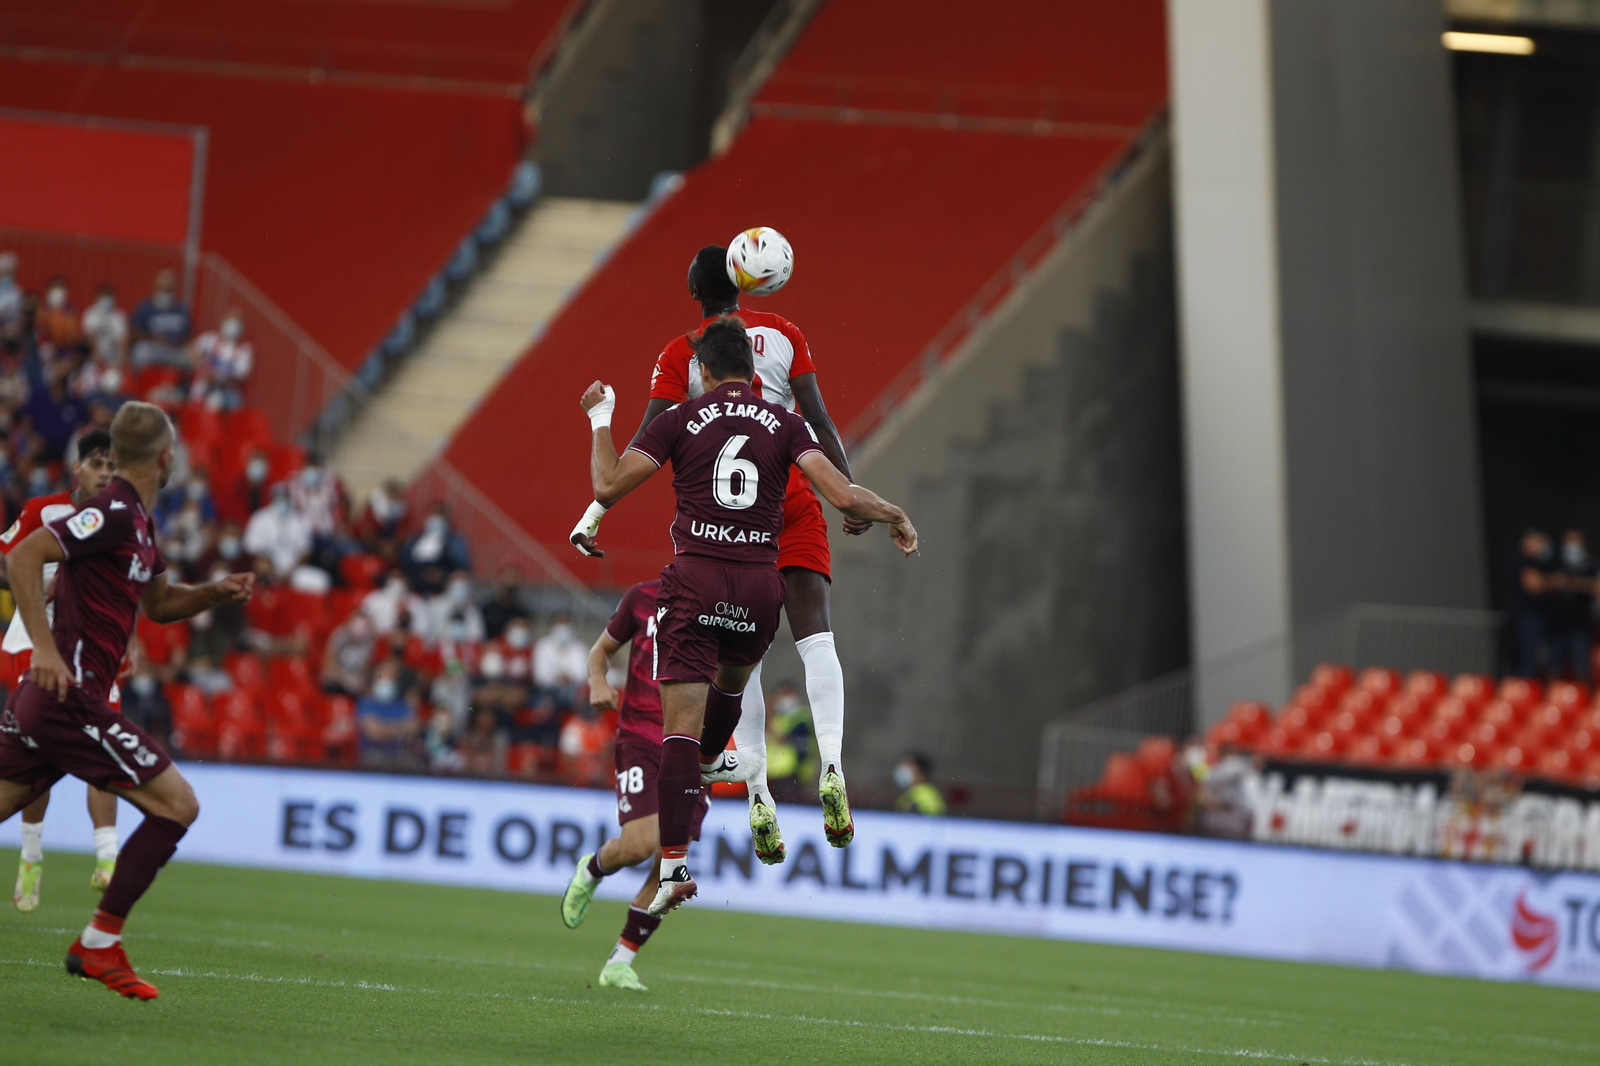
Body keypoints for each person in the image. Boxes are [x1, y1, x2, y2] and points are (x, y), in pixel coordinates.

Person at [575, 315, 916, 914]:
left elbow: (606, 486)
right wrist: (896, 515)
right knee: (732, 684)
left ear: (702, 371)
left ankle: (675, 865)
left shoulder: (681, 418)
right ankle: (714, 762)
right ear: (754, 371)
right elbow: (843, 496)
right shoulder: (785, 423)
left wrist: (600, 418)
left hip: (695, 579)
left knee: (678, 727)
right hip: (759, 589)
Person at [0, 400, 254, 999]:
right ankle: (99, 943)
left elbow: (161, 605)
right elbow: (22, 554)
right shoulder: (111, 511)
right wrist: (44, 647)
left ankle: (99, 943)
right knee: (177, 806)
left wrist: (215, 593)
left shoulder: (138, 522)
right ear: (166, 457)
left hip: (50, 701)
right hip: (71, 697)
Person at [560, 578, 707, 991]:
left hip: (695, 748)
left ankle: (620, 962)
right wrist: (598, 681)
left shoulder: (729, 610)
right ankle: (592, 868)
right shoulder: (642, 597)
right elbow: (600, 652)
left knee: (669, 869)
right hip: (642, 738)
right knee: (638, 846)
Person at [0, 429, 124, 909]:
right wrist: (39, 581)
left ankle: (107, 858)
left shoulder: (120, 521)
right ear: (79, 469)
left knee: (104, 742)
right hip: (36, 644)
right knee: (39, 750)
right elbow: (9, 558)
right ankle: (31, 856)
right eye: (98, 463)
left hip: (93, 653)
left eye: (113, 465)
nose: (107, 473)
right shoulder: (43, 510)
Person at [1551, 529, 1597, 684]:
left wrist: (1575, 583)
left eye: (1575, 541)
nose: (1572, 546)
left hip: (1581, 624)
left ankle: (1583, 700)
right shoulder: (1556, 562)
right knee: (1555, 665)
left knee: (1581, 666)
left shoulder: (1591, 564)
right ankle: (1553, 700)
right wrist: (1554, 582)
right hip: (1557, 623)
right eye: (1569, 541)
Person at [243, 484, 313, 581]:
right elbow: (251, 548)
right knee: (261, 568)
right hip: (268, 569)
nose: (282, 501)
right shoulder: (259, 518)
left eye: (285, 498)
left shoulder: (299, 520)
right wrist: (269, 566)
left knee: (318, 581)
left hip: (293, 571)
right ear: (272, 499)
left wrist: (290, 572)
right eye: (279, 498)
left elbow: (305, 552)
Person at [1510, 529, 1555, 678]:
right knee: (1527, 661)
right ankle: (1521, 693)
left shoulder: (1540, 564)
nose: (1541, 546)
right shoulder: (1523, 562)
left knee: (1539, 662)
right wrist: (1555, 581)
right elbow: (1534, 585)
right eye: (1537, 542)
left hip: (1538, 618)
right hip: (1527, 619)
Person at [357, 660, 418, 768]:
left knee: (412, 762)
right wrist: (399, 728)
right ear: (375, 678)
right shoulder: (367, 702)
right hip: (373, 751)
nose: (387, 680)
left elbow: (412, 729)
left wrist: (384, 728)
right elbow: (374, 732)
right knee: (375, 761)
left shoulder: (402, 703)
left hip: (399, 753)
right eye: (383, 676)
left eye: (391, 677)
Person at [188, 309, 253, 409]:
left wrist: (216, 376)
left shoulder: (244, 349)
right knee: (199, 387)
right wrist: (200, 365)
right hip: (205, 383)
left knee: (218, 401)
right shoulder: (211, 339)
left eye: (237, 323)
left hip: (227, 389)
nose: (233, 326)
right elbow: (192, 350)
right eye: (231, 321)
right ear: (224, 322)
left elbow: (241, 374)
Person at [129, 268, 192, 369]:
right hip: (152, 347)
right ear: (156, 287)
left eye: (169, 290)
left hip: (174, 350)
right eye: (163, 289)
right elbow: (134, 331)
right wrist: (152, 337)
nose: (166, 294)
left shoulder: (180, 310)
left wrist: (175, 341)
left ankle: (184, 384)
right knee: (140, 351)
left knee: (190, 356)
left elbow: (188, 335)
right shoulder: (146, 308)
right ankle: (140, 382)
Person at [401, 503, 470, 595]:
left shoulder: (456, 541)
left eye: (441, 514)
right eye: (434, 514)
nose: (437, 518)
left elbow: (462, 567)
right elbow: (404, 560)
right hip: (414, 587)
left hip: (443, 590)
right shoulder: (415, 538)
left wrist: (443, 574)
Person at [533, 612, 586, 710]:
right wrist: (557, 678)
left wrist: (569, 678)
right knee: (547, 702)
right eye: (560, 624)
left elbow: (582, 674)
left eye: (566, 624)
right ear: (552, 626)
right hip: (548, 690)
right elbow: (540, 676)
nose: (563, 628)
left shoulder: (579, 648)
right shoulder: (543, 646)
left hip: (572, 690)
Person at [81, 283, 129, 366]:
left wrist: (122, 358)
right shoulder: (90, 313)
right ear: (97, 297)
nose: (106, 299)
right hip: (93, 355)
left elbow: (122, 339)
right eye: (104, 296)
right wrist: (96, 355)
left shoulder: (119, 315)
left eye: (109, 296)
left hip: (113, 356)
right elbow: (90, 336)